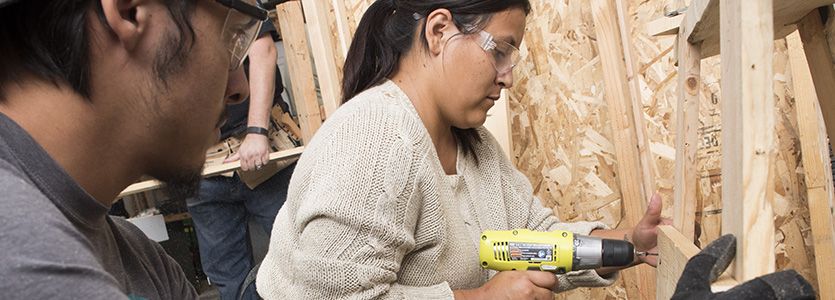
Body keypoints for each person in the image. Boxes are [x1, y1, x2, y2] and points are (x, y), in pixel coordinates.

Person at [256, 0, 671, 299]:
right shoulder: (376, 140)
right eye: (500, 50)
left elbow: (535, 241)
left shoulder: (475, 147)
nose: (507, 77)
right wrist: (481, 298)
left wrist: (629, 245)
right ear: (439, 32)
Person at [0, 0, 267, 298]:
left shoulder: (143, 262)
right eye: (233, 36)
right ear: (129, 12)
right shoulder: (18, 249)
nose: (239, 88)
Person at [186, 12, 298, 300]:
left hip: (264, 151)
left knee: (300, 257)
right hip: (204, 165)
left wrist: (257, 130)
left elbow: (263, 50)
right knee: (229, 277)